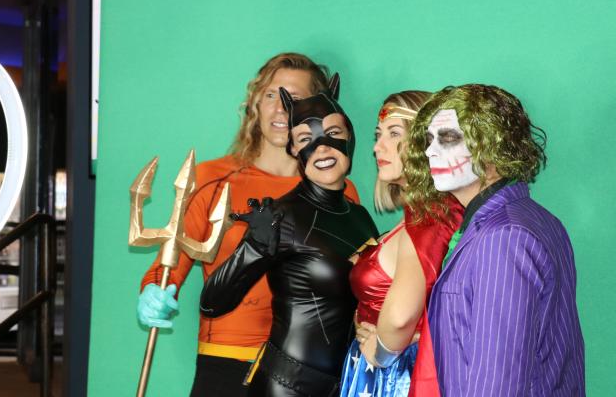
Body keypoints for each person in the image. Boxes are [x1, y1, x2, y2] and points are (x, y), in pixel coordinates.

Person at [136, 53, 361, 396]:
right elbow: (170, 266)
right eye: (271, 95)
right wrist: (154, 291)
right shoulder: (213, 180)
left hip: (307, 375)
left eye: (295, 99)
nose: (281, 110)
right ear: (255, 103)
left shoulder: (341, 194)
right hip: (226, 365)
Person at [200, 75, 378, 397]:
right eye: (306, 138)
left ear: (350, 136)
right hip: (285, 386)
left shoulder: (360, 217)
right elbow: (212, 302)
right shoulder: (284, 215)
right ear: (295, 148)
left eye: (333, 132)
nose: (322, 146)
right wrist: (254, 247)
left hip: (345, 384)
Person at [404, 84, 585, 396]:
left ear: (491, 144)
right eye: (429, 139)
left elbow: (497, 381)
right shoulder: (530, 219)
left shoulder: (503, 237)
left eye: (447, 138)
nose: (430, 150)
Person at [340, 92, 463, 397]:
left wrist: (382, 351)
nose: (377, 146)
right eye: (378, 135)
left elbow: (400, 318)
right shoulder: (419, 216)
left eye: (394, 134)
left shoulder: (429, 217)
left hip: (394, 378)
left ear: (426, 143)